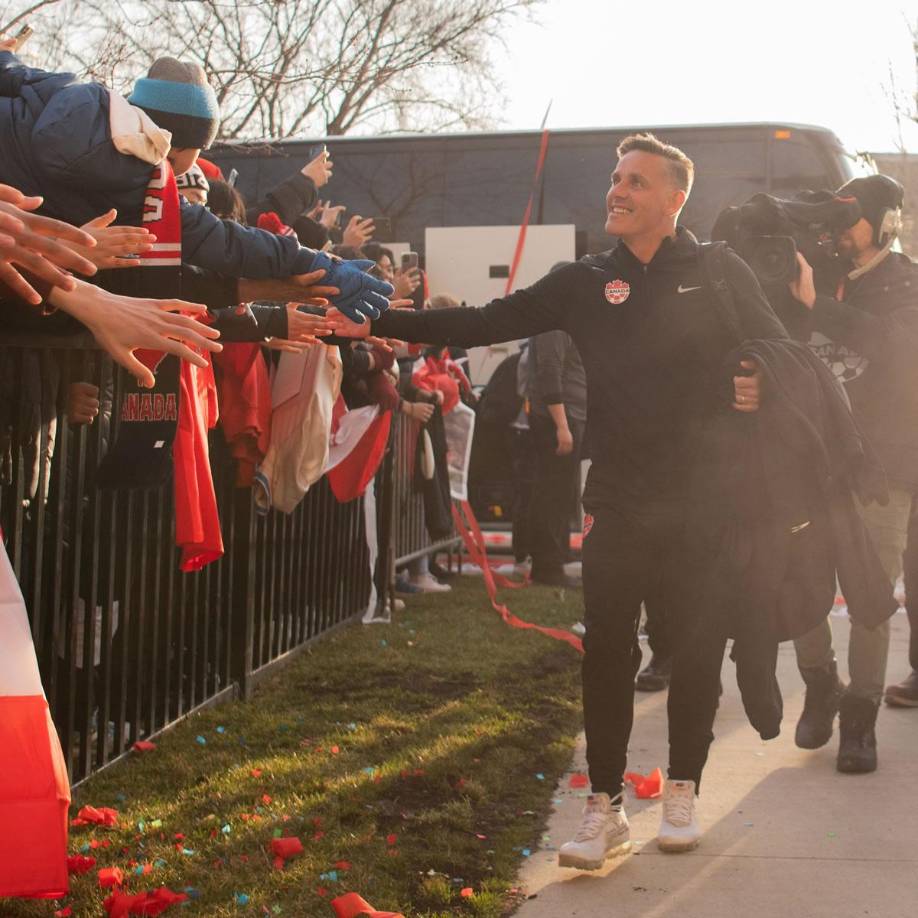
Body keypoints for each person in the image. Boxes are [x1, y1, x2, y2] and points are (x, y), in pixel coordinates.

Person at [328, 133, 789, 863]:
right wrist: (379, 320)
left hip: (707, 501)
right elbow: (483, 321)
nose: (618, 190)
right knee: (606, 649)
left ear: (675, 199)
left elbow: (777, 345)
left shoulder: (718, 270)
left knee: (695, 648)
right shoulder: (584, 280)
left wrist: (759, 374)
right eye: (615, 178)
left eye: (636, 181)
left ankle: (682, 794)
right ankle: (602, 807)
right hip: (620, 498)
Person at [787, 174, 918, 770]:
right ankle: (821, 685)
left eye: (852, 219)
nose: (840, 231)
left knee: (869, 598)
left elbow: (899, 347)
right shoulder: (809, 273)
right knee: (798, 586)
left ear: (885, 222)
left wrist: (822, 307)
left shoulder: (907, 280)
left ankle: (860, 720)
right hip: (808, 463)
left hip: (881, 468)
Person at [522, 265, 587, 587]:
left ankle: (557, 554)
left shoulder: (564, 319)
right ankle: (547, 566)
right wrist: (562, 425)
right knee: (553, 492)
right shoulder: (553, 322)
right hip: (557, 419)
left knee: (561, 492)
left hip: (568, 415)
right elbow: (550, 371)